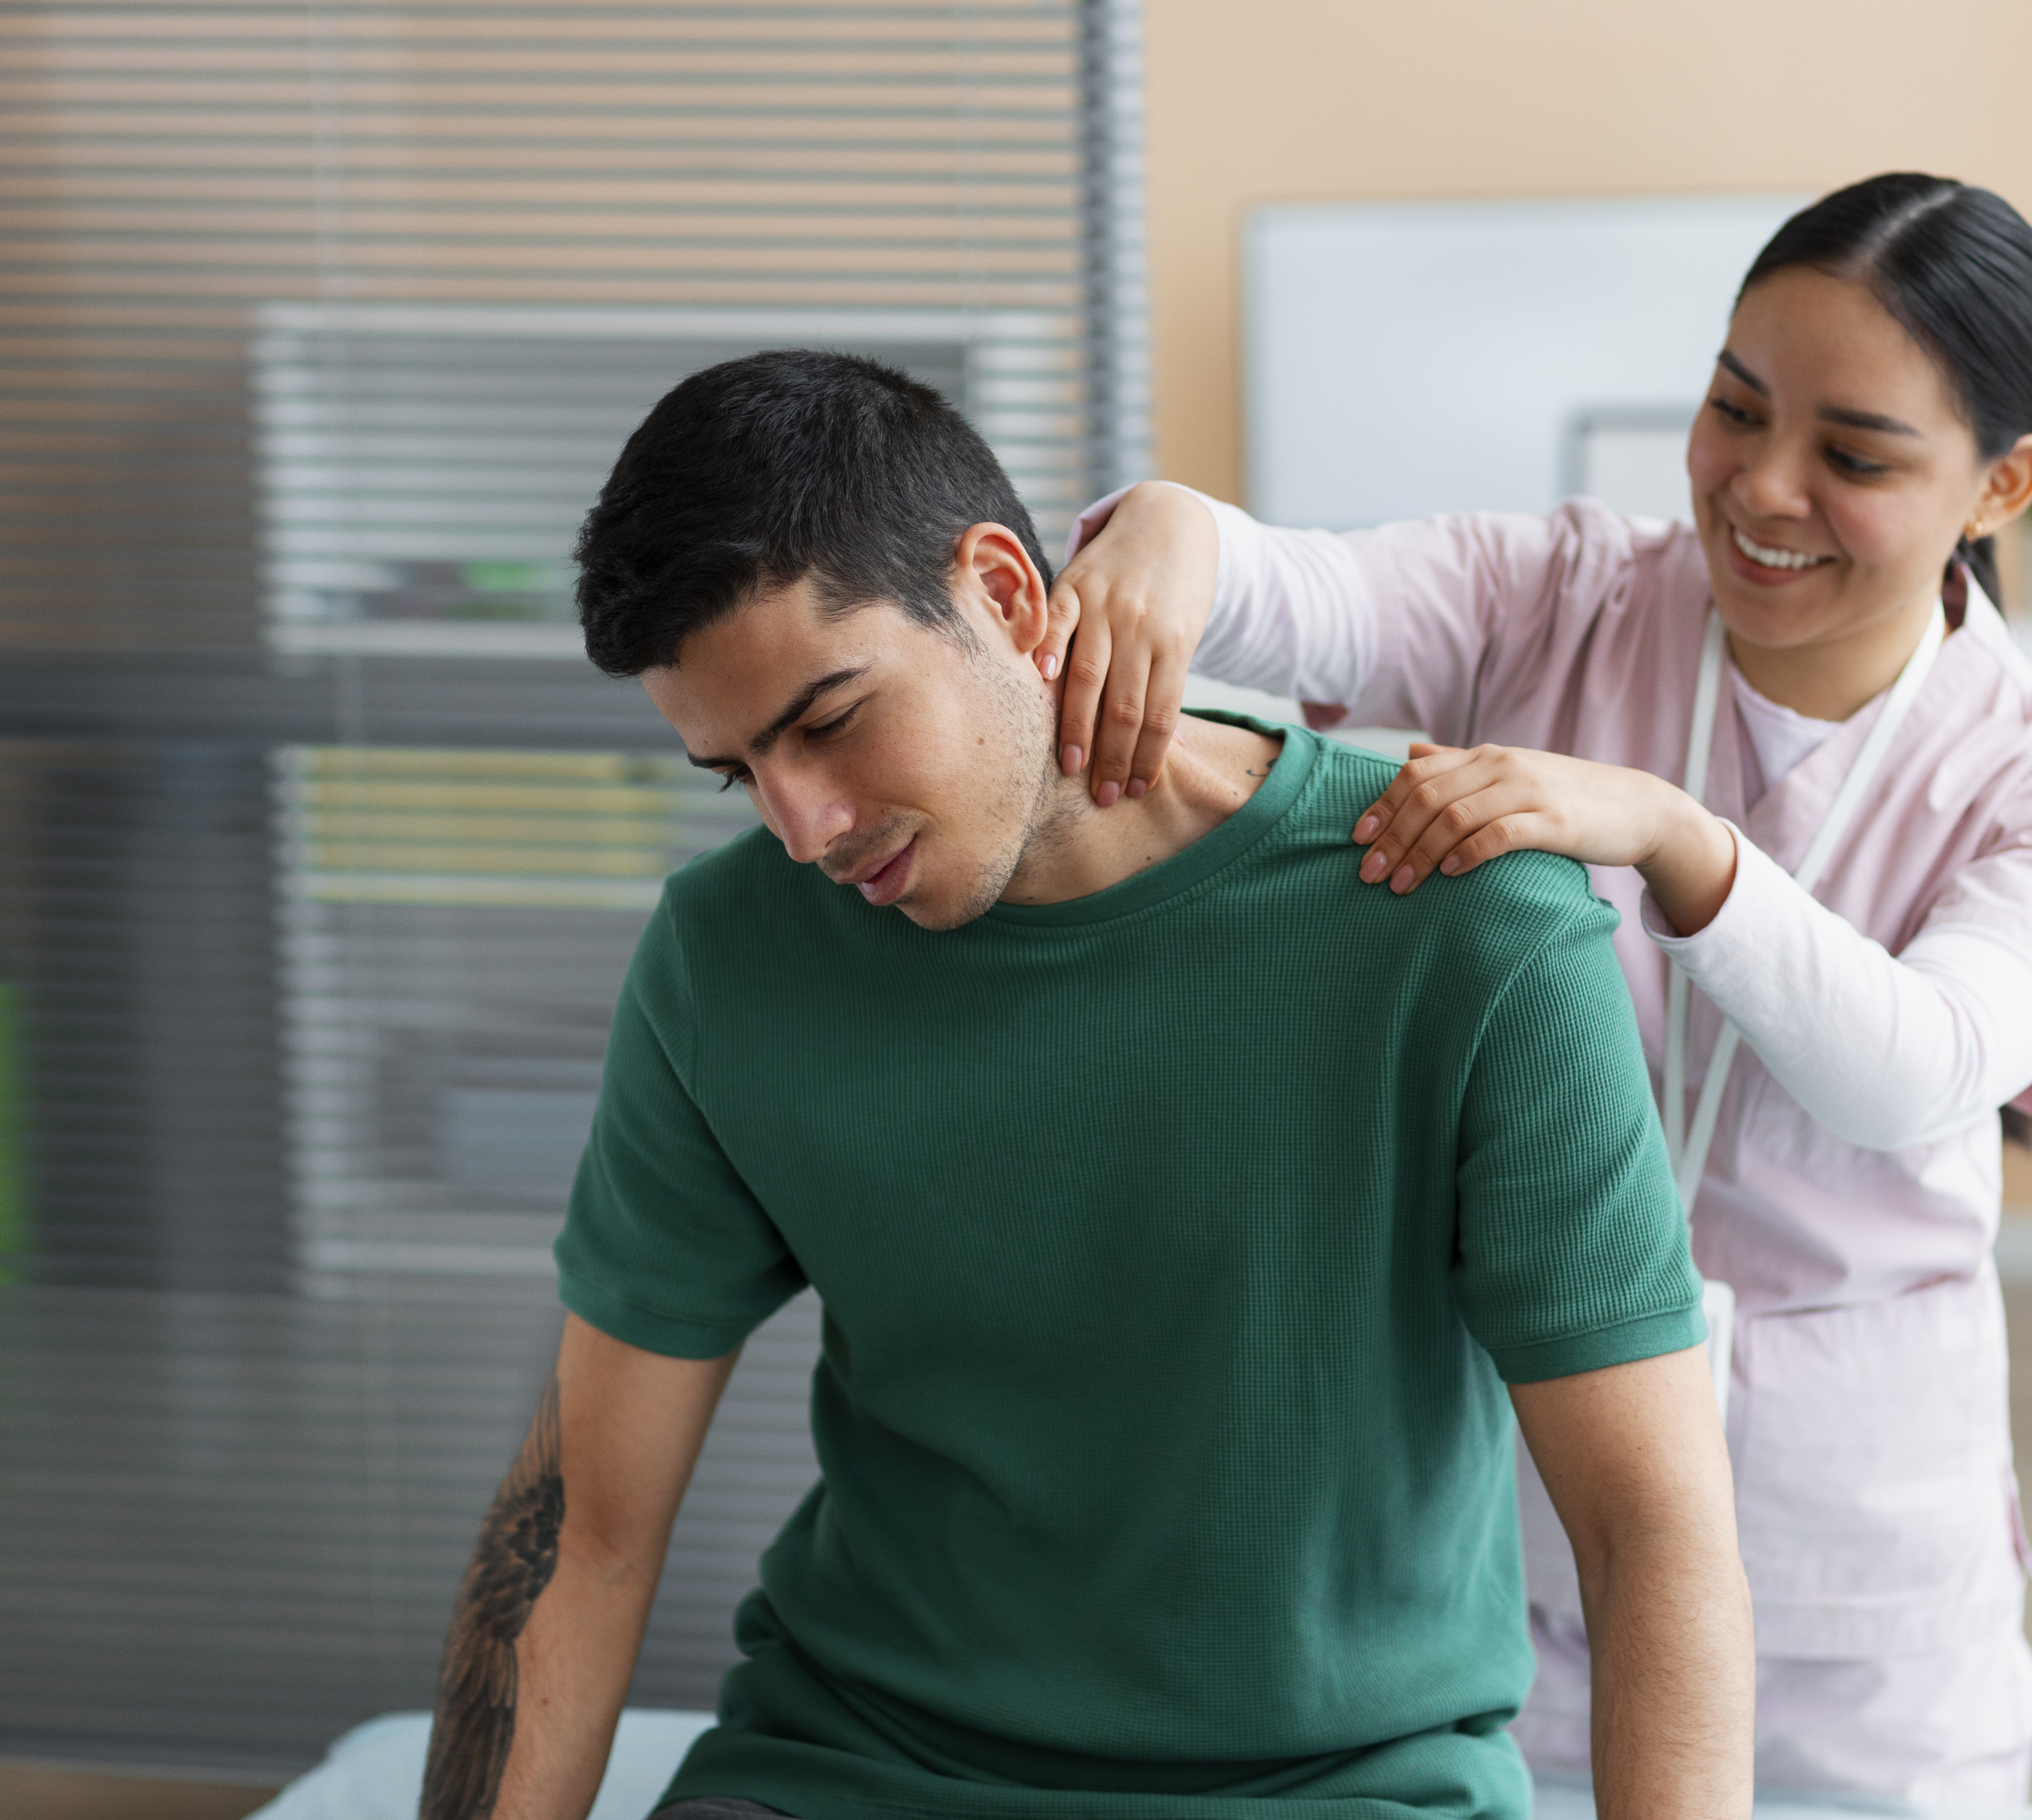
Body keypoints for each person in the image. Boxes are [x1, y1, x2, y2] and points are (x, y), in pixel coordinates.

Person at [415, 351, 1756, 1820]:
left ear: (1003, 590)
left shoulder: (1464, 925)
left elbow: (1649, 1531)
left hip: (1332, 1789)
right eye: (738, 771)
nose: (804, 826)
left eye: (829, 718)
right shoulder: (725, 959)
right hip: (849, 1771)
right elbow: (584, 1525)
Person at [1045, 173, 2032, 1810]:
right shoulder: (1561, 593)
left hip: (1851, 1581)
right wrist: (1171, 531)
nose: (1760, 488)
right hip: (1517, 1530)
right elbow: (1308, 590)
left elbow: (1916, 1072)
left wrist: (1669, 837)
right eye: (1730, 408)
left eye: (1851, 455)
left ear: (2003, 483)